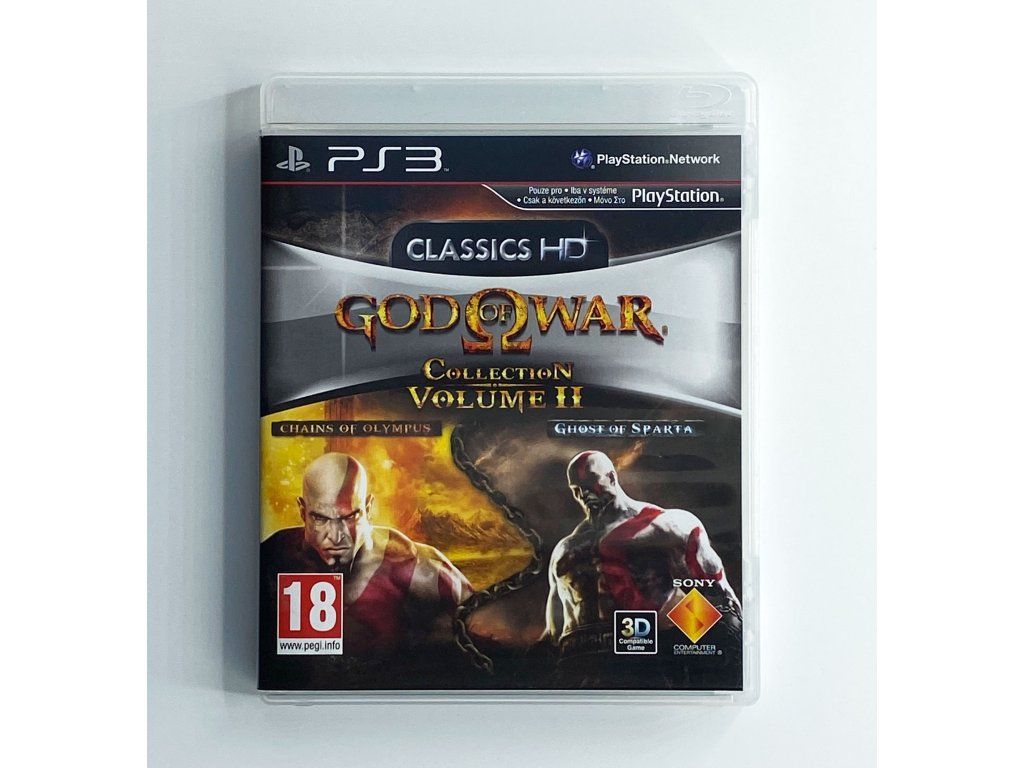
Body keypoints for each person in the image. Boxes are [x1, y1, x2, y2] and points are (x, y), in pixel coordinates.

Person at [260, 452, 471, 687]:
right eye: (320, 518)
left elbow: (482, 642)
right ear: (302, 512)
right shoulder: (274, 557)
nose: (336, 536)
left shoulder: (418, 570)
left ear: (368, 509)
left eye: (350, 517)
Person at [542, 450, 741, 687]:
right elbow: (555, 624)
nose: (584, 493)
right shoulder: (566, 548)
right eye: (576, 489)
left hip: (646, 657)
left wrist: (689, 646)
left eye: (590, 483)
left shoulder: (664, 525)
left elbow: (718, 597)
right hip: (577, 663)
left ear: (611, 477)